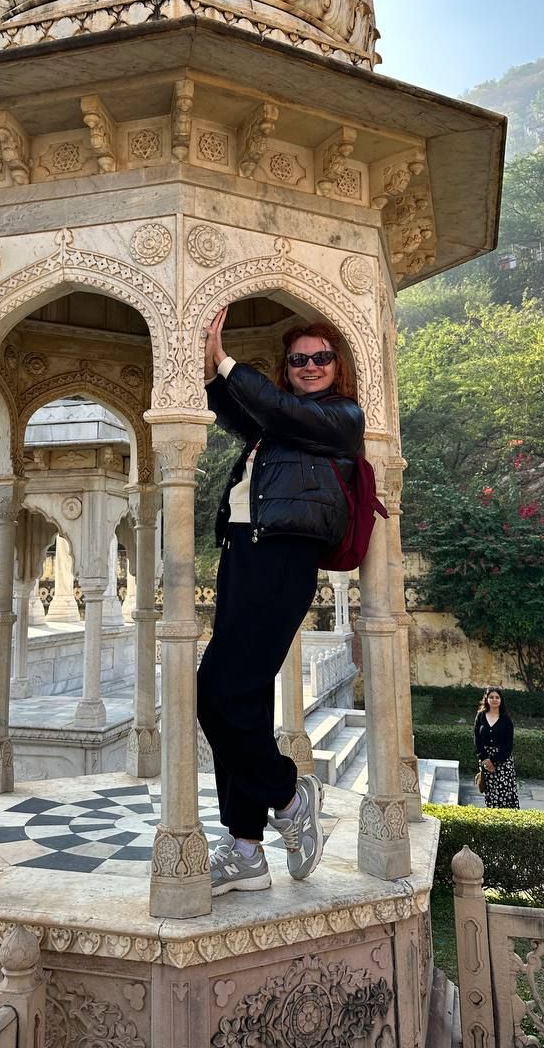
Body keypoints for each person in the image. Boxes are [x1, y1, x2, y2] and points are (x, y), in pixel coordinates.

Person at [197, 306, 365, 895]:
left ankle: (289, 796)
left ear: (337, 366)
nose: (310, 366)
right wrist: (211, 374)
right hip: (245, 550)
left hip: (285, 554)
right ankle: (246, 847)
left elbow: (274, 408)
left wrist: (227, 362)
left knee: (218, 693)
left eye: (321, 358)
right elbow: (241, 413)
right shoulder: (277, 427)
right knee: (233, 699)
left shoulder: (340, 417)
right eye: (298, 360)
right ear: (286, 367)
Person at [474, 687, 520, 809]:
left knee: (505, 793)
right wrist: (484, 758)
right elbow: (477, 739)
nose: (494, 700)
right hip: (485, 760)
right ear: (486, 699)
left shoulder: (506, 719)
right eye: (491, 697)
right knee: (490, 792)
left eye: (497, 697)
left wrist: (493, 761)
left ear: (501, 700)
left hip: (503, 761)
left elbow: (508, 745)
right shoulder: (480, 716)